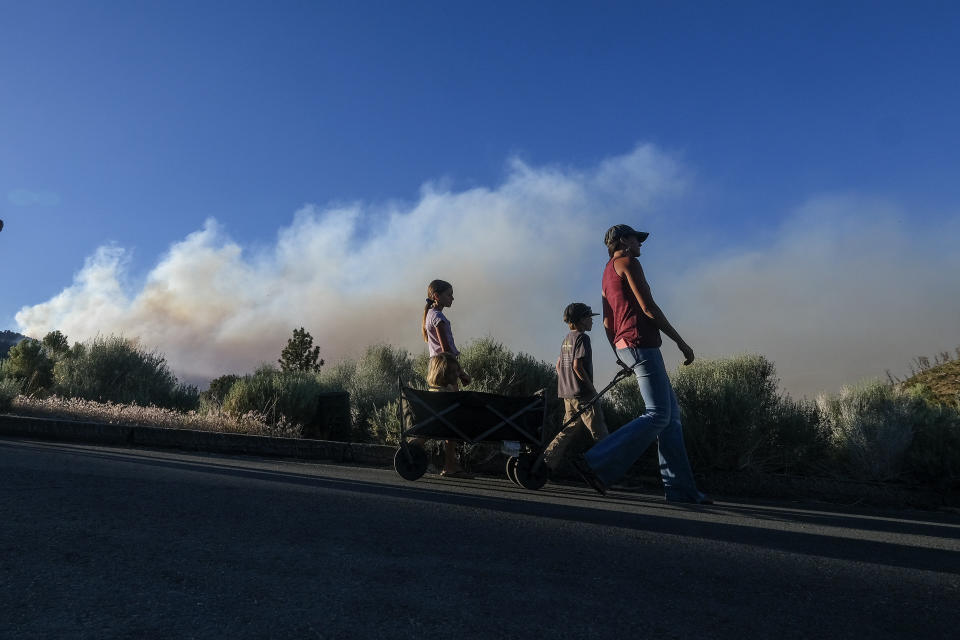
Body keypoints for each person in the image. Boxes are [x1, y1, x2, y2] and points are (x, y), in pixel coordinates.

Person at [571, 224, 712, 504]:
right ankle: (596, 462)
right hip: (641, 343)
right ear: (623, 240)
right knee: (659, 414)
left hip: (627, 345)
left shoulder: (607, 271)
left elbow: (608, 320)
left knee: (671, 419)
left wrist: (618, 350)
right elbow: (648, 307)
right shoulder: (627, 262)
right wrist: (681, 342)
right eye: (637, 239)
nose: (641, 245)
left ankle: (681, 491)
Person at [541, 302, 609, 473]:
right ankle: (608, 471)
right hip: (583, 395)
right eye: (589, 318)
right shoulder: (582, 338)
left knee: (567, 430)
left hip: (567, 395)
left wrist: (567, 382)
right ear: (581, 320)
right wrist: (591, 389)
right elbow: (577, 366)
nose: (592, 322)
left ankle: (545, 463)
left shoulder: (566, 340)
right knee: (600, 434)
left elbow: (559, 366)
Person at [421, 280, 472, 477]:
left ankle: (450, 465)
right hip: (445, 370)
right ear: (437, 296)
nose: (452, 298)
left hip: (437, 369)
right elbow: (446, 351)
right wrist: (461, 373)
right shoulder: (438, 317)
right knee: (449, 417)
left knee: (444, 416)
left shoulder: (430, 315)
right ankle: (447, 464)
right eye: (449, 294)